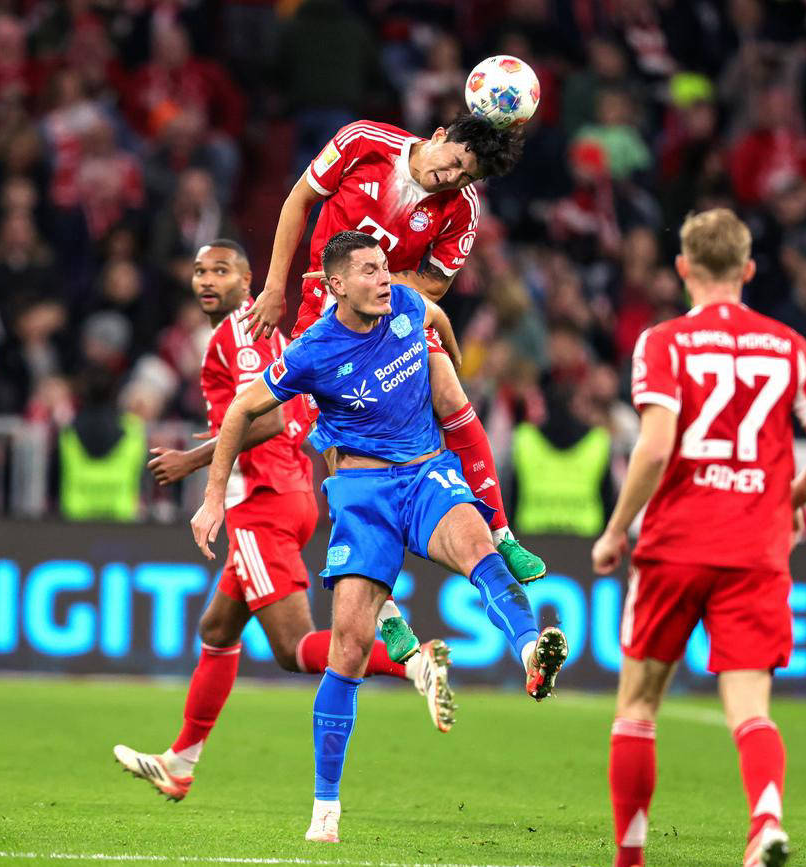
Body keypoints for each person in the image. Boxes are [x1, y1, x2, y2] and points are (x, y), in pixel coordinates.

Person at [191, 231, 568, 844]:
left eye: (385, 266)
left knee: (481, 548)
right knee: (347, 647)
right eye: (369, 270)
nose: (384, 278)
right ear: (337, 285)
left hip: (425, 474)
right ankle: (325, 811)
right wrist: (212, 498)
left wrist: (447, 365)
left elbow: (439, 318)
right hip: (364, 497)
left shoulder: (408, 305)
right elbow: (240, 412)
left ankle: (531, 654)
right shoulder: (313, 350)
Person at [113, 241, 454, 803]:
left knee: (294, 648)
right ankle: (180, 761)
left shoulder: (240, 333)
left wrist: (193, 463)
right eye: (199, 271)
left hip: (263, 497)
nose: (207, 281)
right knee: (217, 630)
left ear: (249, 279)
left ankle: (413, 665)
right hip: (290, 491)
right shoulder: (267, 331)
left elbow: (270, 419)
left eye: (221, 271)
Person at [590, 209, 806, 867]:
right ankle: (765, 822)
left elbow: (654, 448)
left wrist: (616, 529)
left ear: (683, 268)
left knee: (638, 704)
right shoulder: (790, 345)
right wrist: (783, 500)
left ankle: (630, 858)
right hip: (754, 550)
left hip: (675, 544)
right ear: (748, 269)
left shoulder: (663, 342)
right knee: (750, 707)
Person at [241, 114, 547, 586]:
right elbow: (299, 199)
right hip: (326, 316)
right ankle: (380, 601)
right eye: (455, 162)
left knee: (450, 393)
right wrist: (273, 288)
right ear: (439, 136)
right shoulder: (363, 142)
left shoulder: (462, 207)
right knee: (341, 451)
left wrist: (372, 284)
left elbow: (435, 284)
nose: (452, 178)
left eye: (466, 177)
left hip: (394, 311)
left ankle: (501, 533)